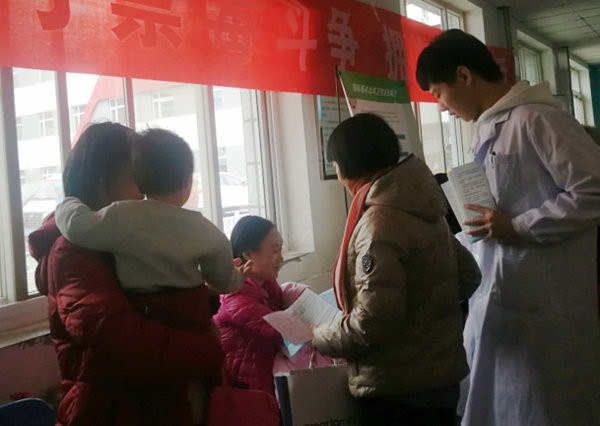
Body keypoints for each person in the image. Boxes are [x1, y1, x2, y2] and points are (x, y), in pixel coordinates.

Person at [417, 29, 600, 426]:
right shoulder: (486, 128)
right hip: (502, 291)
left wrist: (520, 226)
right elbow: (496, 210)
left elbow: (593, 191)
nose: (442, 108)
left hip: (546, 298)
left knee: (544, 407)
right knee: (500, 405)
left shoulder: (539, 119)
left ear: (464, 76)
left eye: (438, 93)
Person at [28, 122, 225, 425]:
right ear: (102, 180)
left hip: (154, 405)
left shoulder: (125, 238)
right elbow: (117, 337)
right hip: (110, 410)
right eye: (137, 173)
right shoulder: (72, 250)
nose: (146, 188)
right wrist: (207, 349)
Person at [311, 113, 482, 426]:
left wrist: (319, 335)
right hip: (442, 379)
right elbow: (469, 276)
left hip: (398, 388)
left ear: (346, 166)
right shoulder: (424, 206)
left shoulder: (379, 224)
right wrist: (427, 316)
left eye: (336, 165)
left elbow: (372, 322)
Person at [212, 216, 285, 396]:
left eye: (281, 250)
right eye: (275, 251)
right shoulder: (236, 298)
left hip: (264, 385)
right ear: (248, 254)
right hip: (245, 395)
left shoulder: (267, 287)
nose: (281, 258)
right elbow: (287, 333)